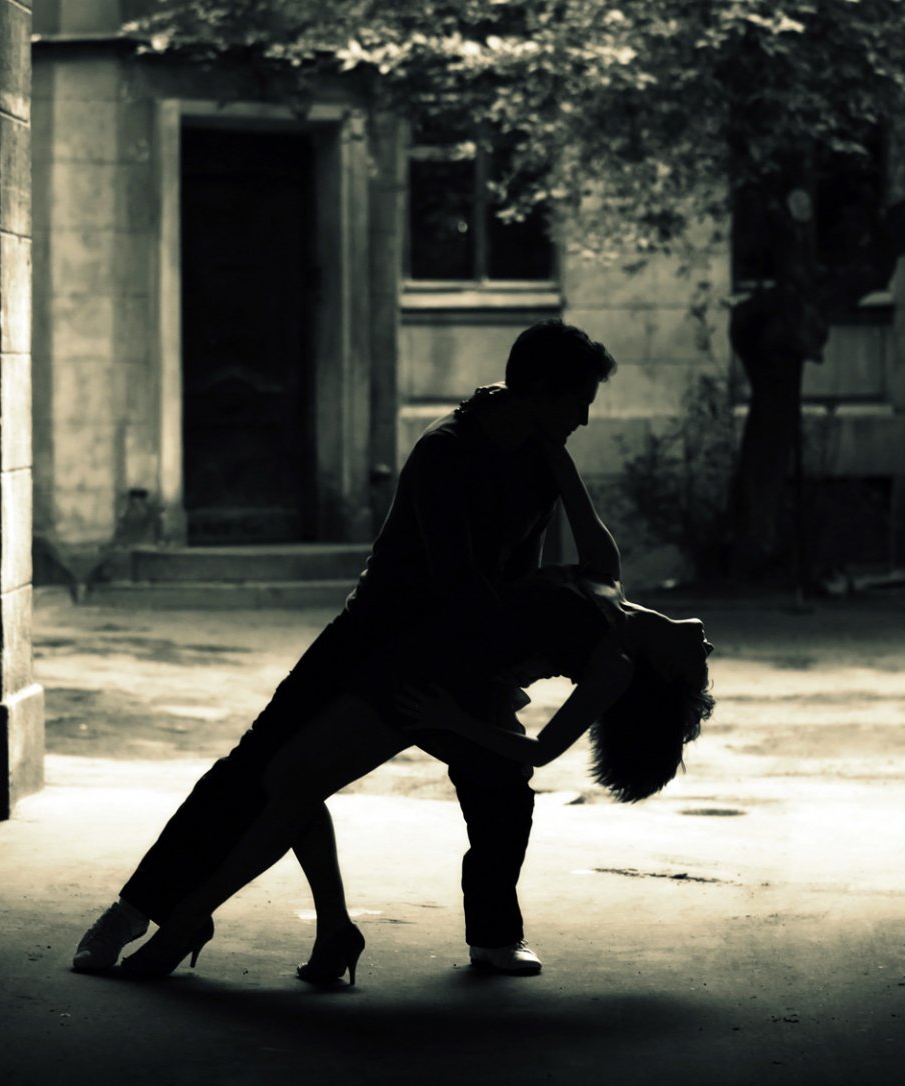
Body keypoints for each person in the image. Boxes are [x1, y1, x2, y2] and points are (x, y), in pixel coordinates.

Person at [73, 323, 622, 978]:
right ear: (536, 392)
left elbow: (565, 573)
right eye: (577, 402)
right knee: (259, 765)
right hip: (376, 639)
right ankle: (135, 910)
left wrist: (560, 489)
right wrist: (539, 609)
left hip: (466, 647)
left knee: (503, 784)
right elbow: (464, 586)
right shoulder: (444, 451)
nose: (585, 420)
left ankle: (493, 935)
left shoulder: (542, 455)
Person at [109, 565, 716, 981]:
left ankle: (189, 926)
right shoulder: (610, 580)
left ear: (659, 674)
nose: (709, 650)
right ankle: (328, 933)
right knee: (291, 780)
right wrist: (551, 451)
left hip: (434, 688)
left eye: (697, 672)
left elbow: (540, 754)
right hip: (421, 659)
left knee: (292, 780)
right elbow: (571, 495)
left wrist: (453, 717)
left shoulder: (614, 662)